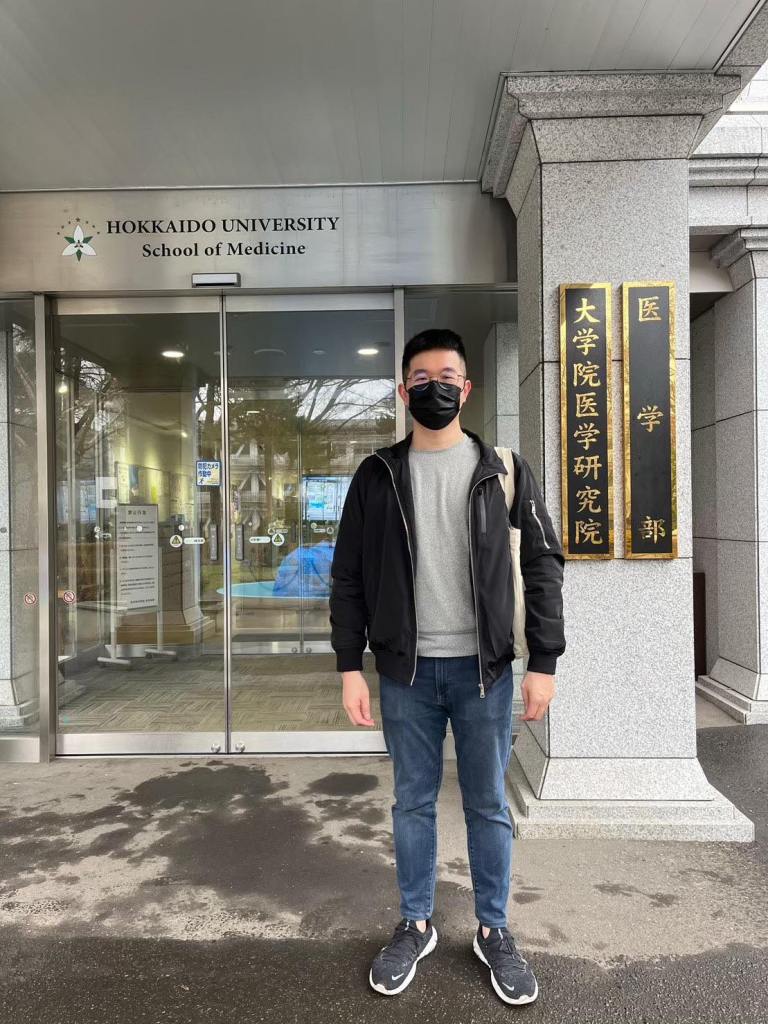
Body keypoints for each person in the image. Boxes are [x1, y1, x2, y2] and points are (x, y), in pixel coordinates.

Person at [328, 328, 566, 1006]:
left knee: (488, 803)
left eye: (447, 377)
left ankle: (494, 929)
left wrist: (544, 660)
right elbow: (348, 575)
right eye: (421, 378)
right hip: (405, 674)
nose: (435, 387)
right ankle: (416, 922)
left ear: (467, 388)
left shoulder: (504, 470)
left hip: (484, 672)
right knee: (412, 802)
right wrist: (350, 665)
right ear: (404, 392)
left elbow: (542, 566)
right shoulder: (376, 475)